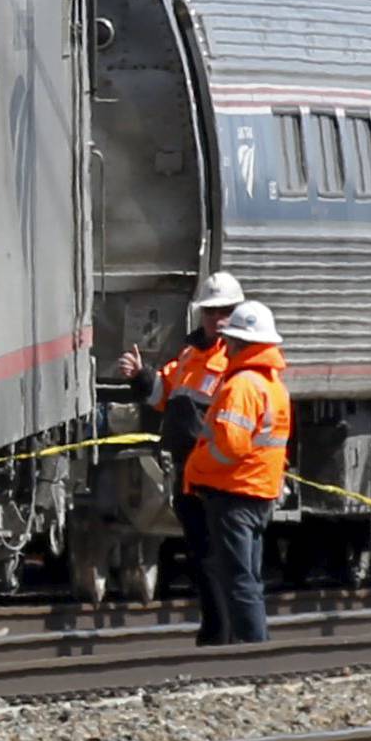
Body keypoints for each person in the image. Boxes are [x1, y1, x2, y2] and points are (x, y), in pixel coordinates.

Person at [118, 271, 246, 644]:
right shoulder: (191, 354)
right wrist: (142, 377)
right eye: (211, 312)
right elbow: (165, 395)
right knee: (201, 557)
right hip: (190, 472)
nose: (217, 319)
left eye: (224, 311)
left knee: (220, 557)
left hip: (218, 474)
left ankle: (226, 635)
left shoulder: (235, 357)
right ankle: (215, 631)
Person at [184, 300, 292, 645]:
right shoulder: (273, 386)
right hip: (259, 491)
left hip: (233, 492)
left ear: (239, 344)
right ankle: (253, 644)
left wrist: (197, 467)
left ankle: (252, 649)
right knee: (249, 575)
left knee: (238, 578)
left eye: (229, 339)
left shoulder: (241, 386)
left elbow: (229, 445)